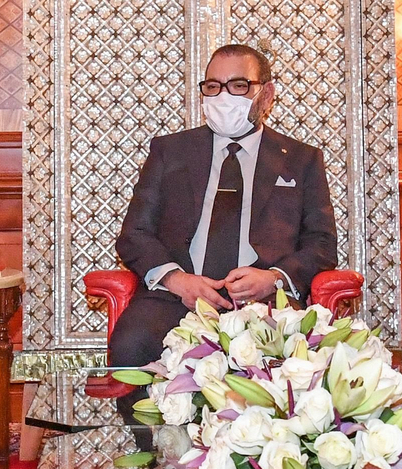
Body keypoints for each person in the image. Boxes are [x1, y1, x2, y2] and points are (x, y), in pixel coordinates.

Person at [110, 43, 339, 366]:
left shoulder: (301, 160)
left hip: (266, 303)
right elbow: (134, 235)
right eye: (214, 86)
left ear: (267, 94)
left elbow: (322, 243)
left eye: (239, 86)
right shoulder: (170, 151)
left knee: (295, 360)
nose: (223, 96)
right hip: (177, 298)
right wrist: (178, 281)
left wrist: (273, 278)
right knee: (132, 343)